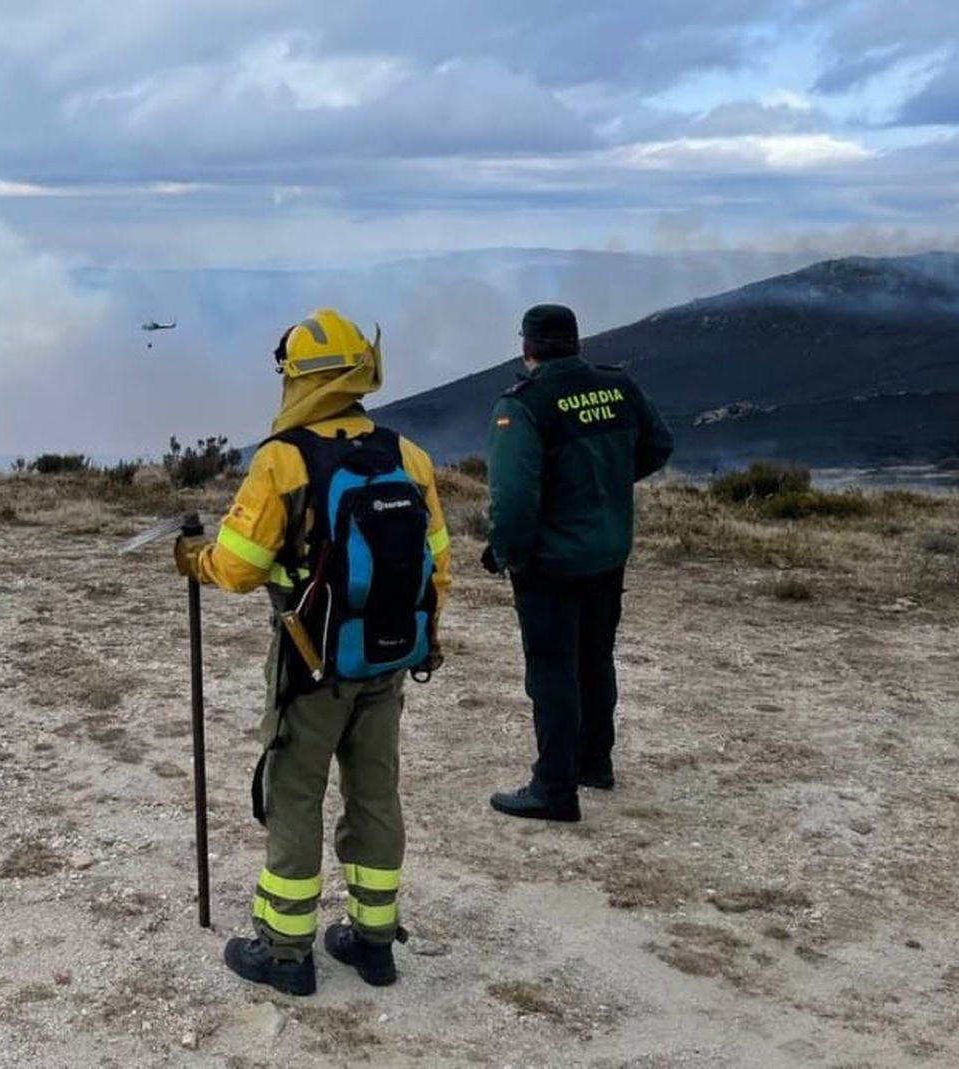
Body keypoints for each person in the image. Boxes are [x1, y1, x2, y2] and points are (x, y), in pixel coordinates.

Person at [174, 308, 452, 996]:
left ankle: (285, 950)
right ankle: (374, 941)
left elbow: (238, 568)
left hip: (311, 663)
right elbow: (437, 569)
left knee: (294, 793)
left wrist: (194, 560)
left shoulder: (284, 459)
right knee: (376, 793)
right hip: (385, 660)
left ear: (298, 378)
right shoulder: (407, 455)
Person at [482, 304, 673, 823]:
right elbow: (659, 446)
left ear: (527, 346)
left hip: (551, 562)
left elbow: (515, 496)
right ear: (577, 342)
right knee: (595, 657)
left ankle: (554, 788)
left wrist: (506, 552)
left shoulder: (522, 405)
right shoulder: (618, 387)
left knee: (552, 672)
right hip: (609, 553)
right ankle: (594, 762)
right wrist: (602, 487)